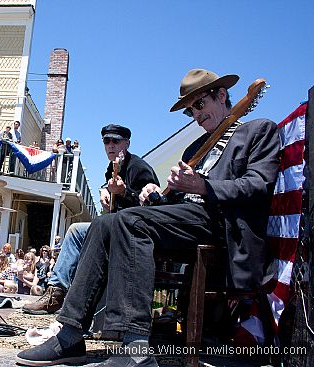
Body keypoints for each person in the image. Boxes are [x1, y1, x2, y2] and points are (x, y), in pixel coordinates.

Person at [16, 68, 281, 367]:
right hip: (188, 220)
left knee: (130, 222)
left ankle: (135, 348)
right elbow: (178, 199)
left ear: (221, 95)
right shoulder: (195, 147)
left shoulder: (257, 130)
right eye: (190, 110)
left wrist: (203, 186)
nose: (196, 114)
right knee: (105, 222)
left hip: (223, 224)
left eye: (200, 104)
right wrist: (156, 194)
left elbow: (258, 186)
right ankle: (70, 334)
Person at [23, 124, 159, 316]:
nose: (110, 145)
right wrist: (107, 193)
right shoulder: (112, 168)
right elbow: (114, 204)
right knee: (80, 232)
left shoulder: (138, 167)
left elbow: (153, 207)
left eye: (116, 141)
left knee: (76, 231)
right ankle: (61, 295)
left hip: (135, 235)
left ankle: (60, 297)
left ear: (126, 143)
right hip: (117, 230)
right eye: (106, 141)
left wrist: (124, 192)